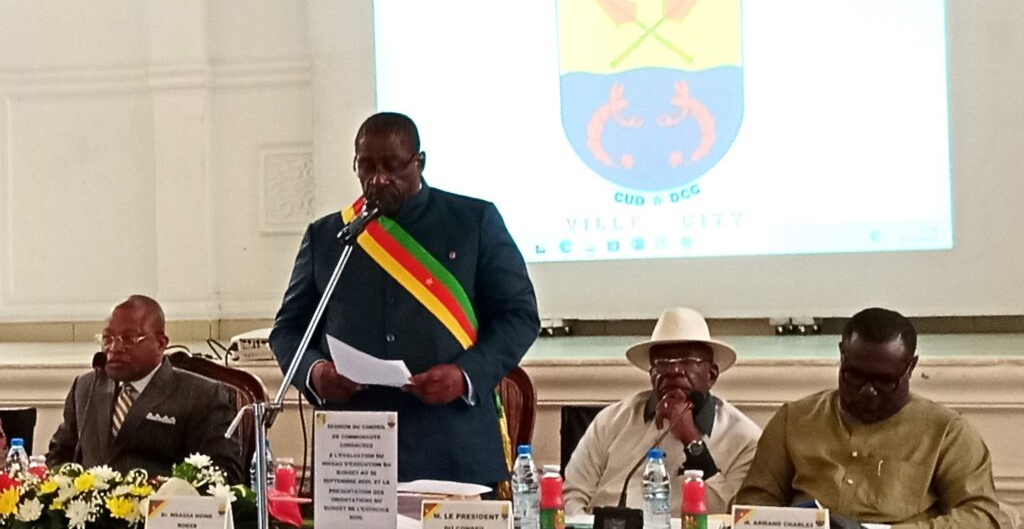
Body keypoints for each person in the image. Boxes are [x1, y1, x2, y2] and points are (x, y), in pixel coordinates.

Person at [269, 111, 539, 486]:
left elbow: (519, 316)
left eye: (392, 165)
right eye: (367, 166)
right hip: (354, 450)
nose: (378, 179)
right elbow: (288, 330)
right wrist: (315, 373)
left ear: (419, 162)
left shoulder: (472, 221)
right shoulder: (329, 236)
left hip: (452, 441)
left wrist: (465, 375)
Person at [736, 307, 1003, 528]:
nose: (868, 391)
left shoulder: (946, 432)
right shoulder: (794, 419)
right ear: (841, 355)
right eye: (854, 376)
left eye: (884, 381)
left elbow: (982, 517)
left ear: (910, 367)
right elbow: (753, 504)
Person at [564, 307, 761, 515]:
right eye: (662, 362)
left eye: (687, 361)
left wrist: (692, 442)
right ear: (652, 373)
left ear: (711, 375)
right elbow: (571, 496)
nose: (674, 370)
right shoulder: (611, 420)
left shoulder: (744, 439)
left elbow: (731, 514)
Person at [47, 295, 244, 484]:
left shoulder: (203, 394)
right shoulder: (85, 387)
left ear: (160, 344)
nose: (114, 348)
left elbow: (224, 475)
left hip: (162, 505)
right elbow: (59, 456)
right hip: (88, 505)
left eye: (129, 338)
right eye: (107, 338)